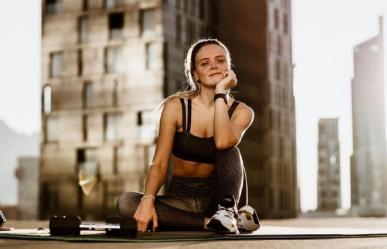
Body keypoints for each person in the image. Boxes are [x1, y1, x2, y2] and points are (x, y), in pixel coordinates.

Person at [116, 38, 260, 234]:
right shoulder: (176, 107)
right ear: (195, 74)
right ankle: (210, 223)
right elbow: (159, 163)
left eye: (220, 61)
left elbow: (223, 141)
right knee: (126, 202)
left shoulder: (242, 112)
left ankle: (228, 214)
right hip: (181, 201)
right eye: (204, 63)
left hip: (221, 198)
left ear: (229, 68)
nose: (214, 66)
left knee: (229, 150)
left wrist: (220, 93)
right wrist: (148, 199)